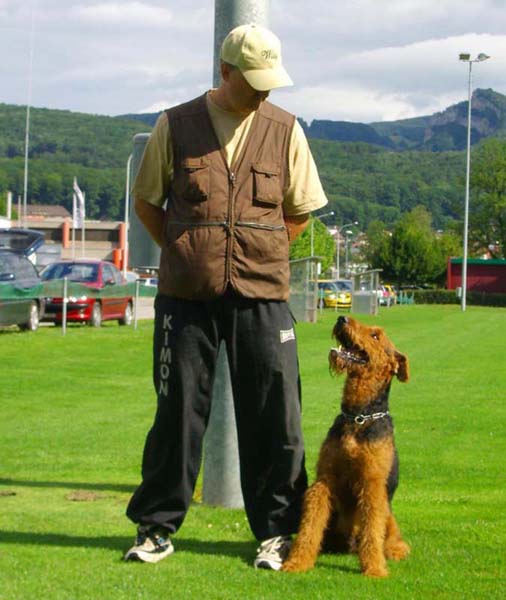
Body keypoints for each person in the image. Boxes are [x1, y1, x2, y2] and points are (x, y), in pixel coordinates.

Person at [124, 23, 328, 570]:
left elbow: (298, 211)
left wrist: (259, 252)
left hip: (263, 295)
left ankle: (279, 533)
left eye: (270, 81)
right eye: (254, 81)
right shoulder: (176, 123)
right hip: (185, 297)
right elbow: (148, 202)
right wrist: (189, 248)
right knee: (177, 414)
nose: (264, 91)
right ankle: (156, 529)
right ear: (225, 71)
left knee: (276, 416)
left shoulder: (288, 130)